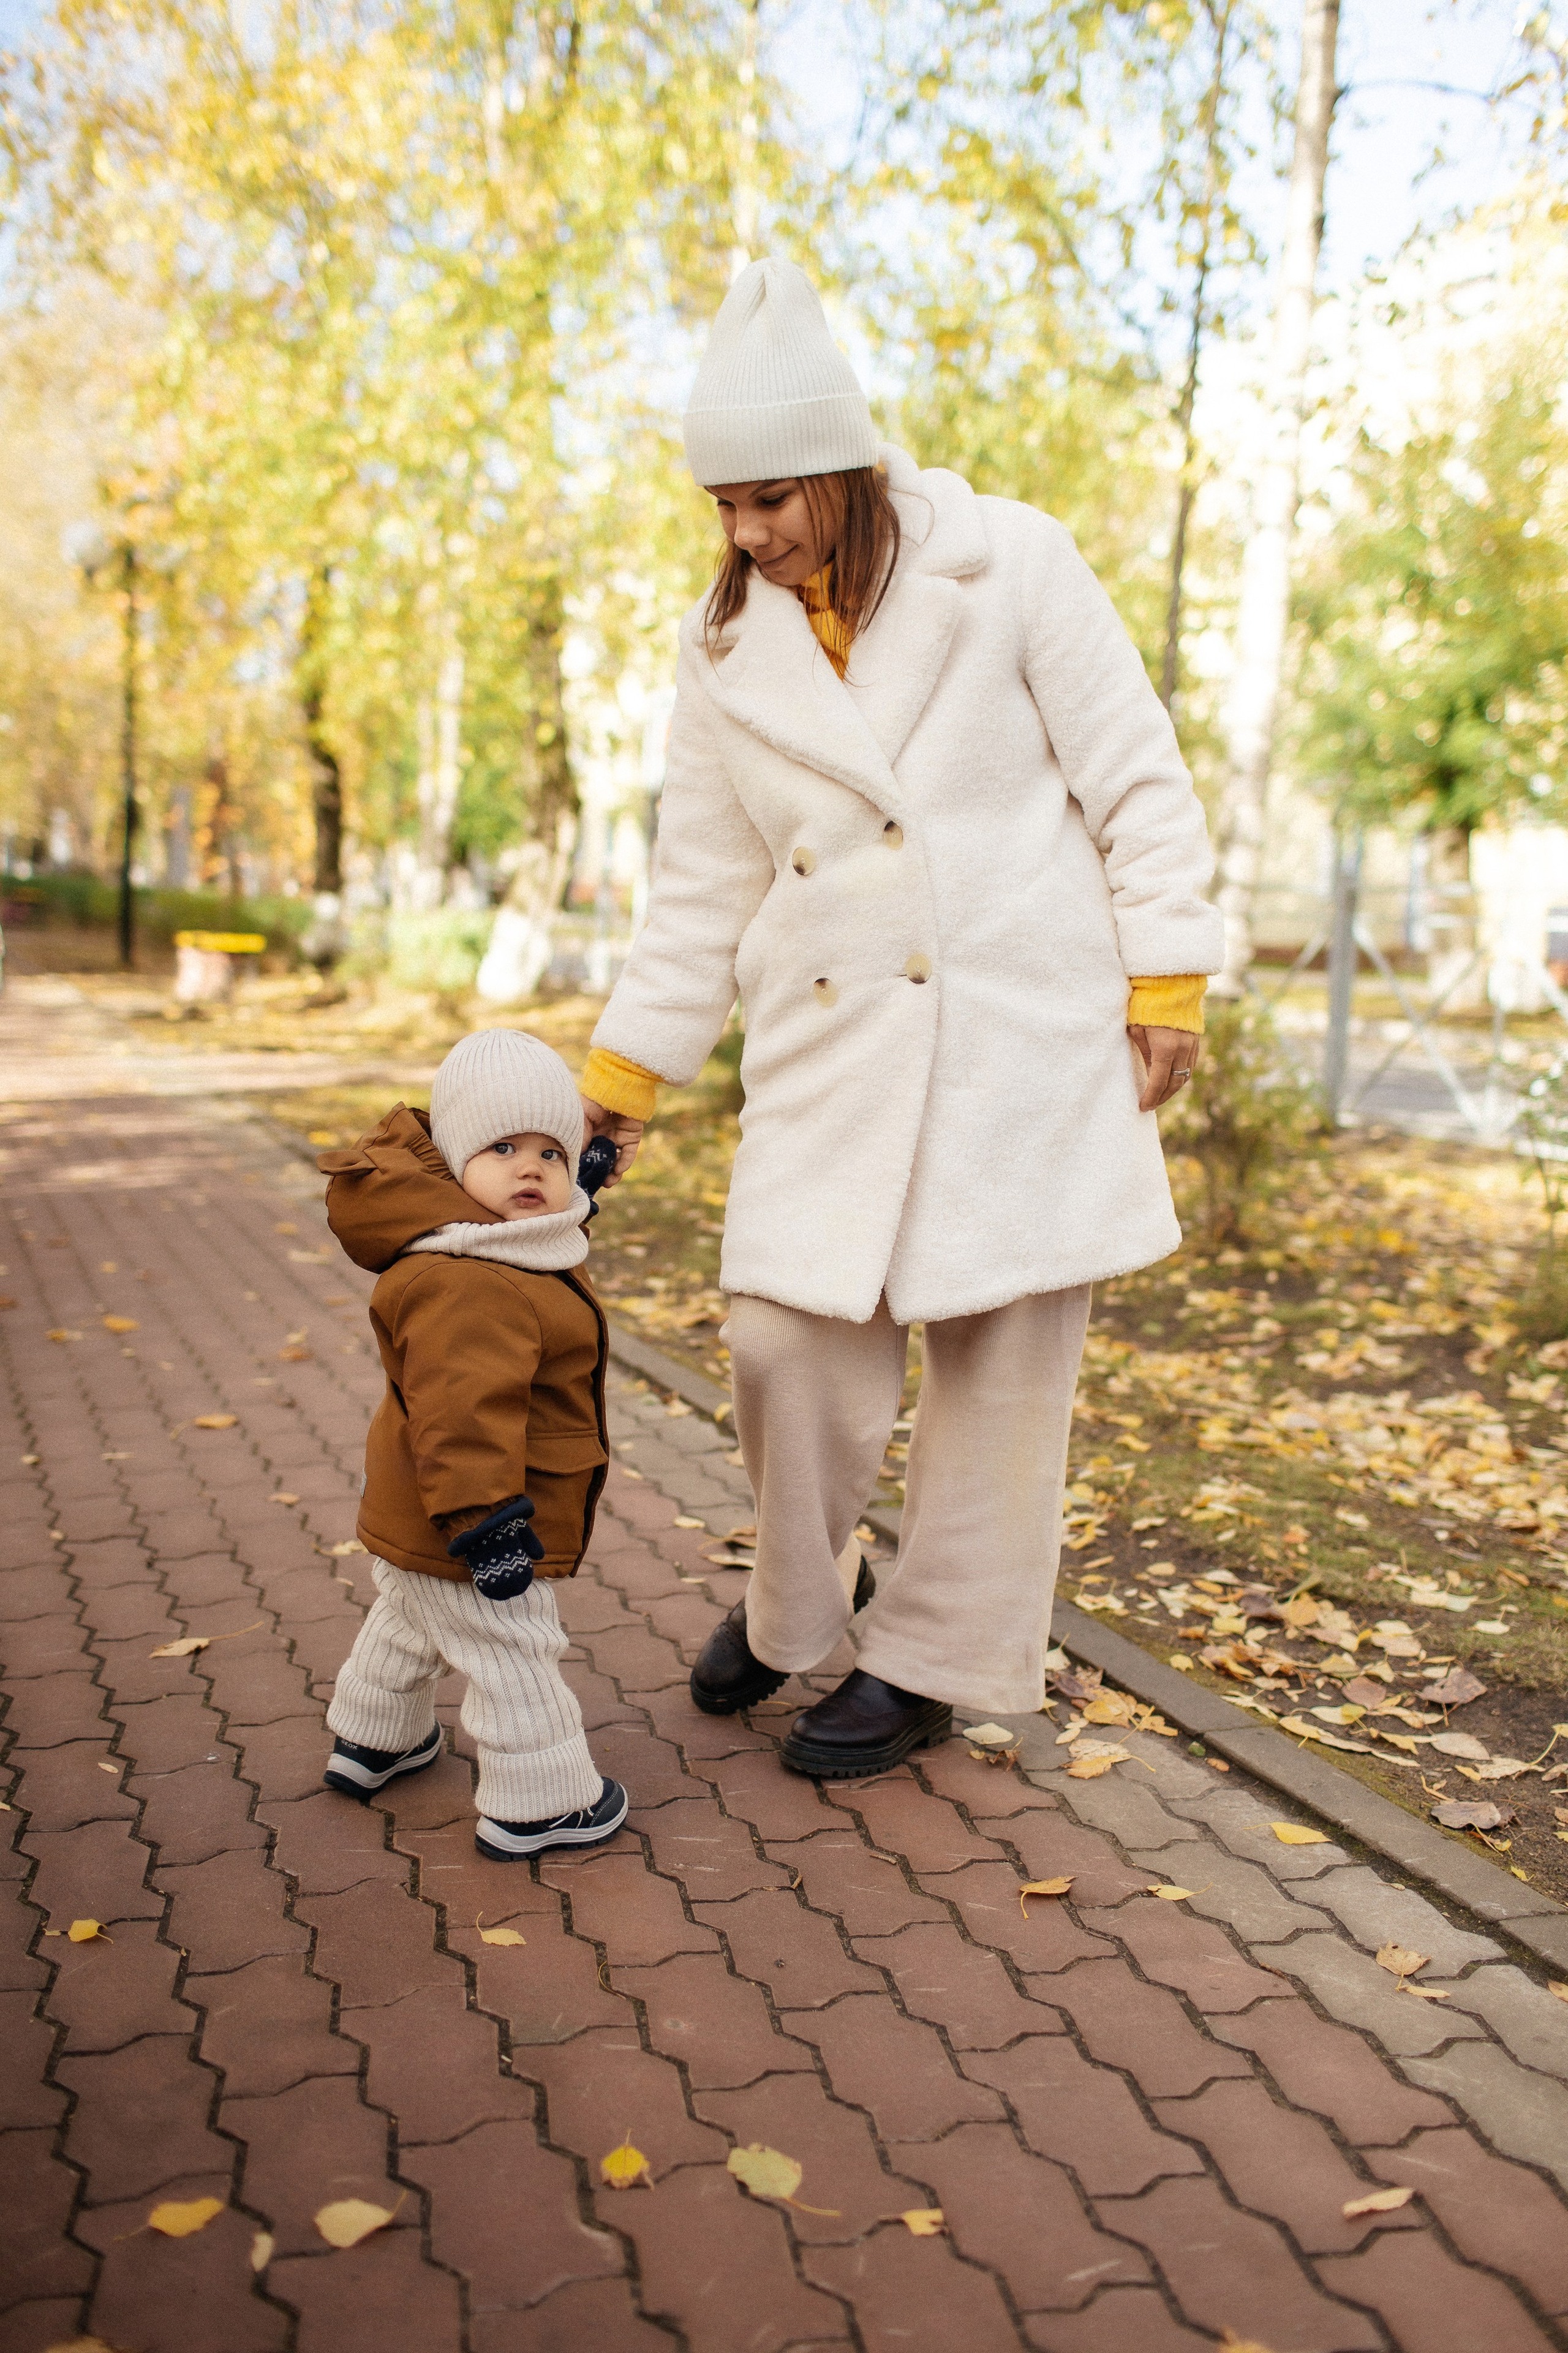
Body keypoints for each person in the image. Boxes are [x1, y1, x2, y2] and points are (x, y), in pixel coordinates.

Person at [578, 255, 1221, 1781]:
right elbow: (697, 880)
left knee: (1001, 1376)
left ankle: (931, 1659)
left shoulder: (1012, 562)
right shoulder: (725, 640)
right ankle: (800, 1603)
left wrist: (1168, 974)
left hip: (1020, 1037)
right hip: (833, 1045)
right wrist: (622, 1074)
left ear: (843, 461)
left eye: (767, 499)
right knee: (780, 1343)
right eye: (720, 505)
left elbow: (1134, 770)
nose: (742, 533)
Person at [316, 1027, 627, 1859]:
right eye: (503, 1147)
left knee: (411, 1615)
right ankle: (544, 1799)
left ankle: (372, 1737)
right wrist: (489, 1526)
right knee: (513, 1647)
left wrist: (584, 1182)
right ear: (454, 1163)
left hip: (420, 1518)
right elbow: (461, 1418)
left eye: (552, 1153)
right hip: (475, 1515)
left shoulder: (490, 1237)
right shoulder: (467, 1283)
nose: (533, 1170)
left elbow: (549, 1224)